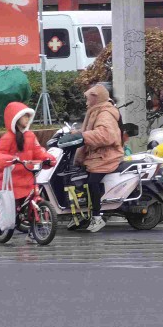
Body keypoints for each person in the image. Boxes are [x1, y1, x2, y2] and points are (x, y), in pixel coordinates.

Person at [0, 101, 53, 245]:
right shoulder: (8, 137)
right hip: (11, 180)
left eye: (27, 117)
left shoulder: (30, 136)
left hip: (27, 176)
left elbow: (39, 151)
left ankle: (32, 232)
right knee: (10, 209)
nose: (27, 119)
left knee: (32, 203)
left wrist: (48, 158)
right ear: (16, 119)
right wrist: (11, 159)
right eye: (24, 117)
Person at [70, 83, 124, 233]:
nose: (86, 101)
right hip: (96, 155)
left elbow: (106, 135)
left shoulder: (105, 113)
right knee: (77, 178)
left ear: (96, 98)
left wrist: (84, 135)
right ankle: (83, 215)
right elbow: (89, 130)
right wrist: (76, 133)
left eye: (88, 98)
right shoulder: (95, 110)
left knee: (92, 182)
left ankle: (97, 216)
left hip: (107, 156)